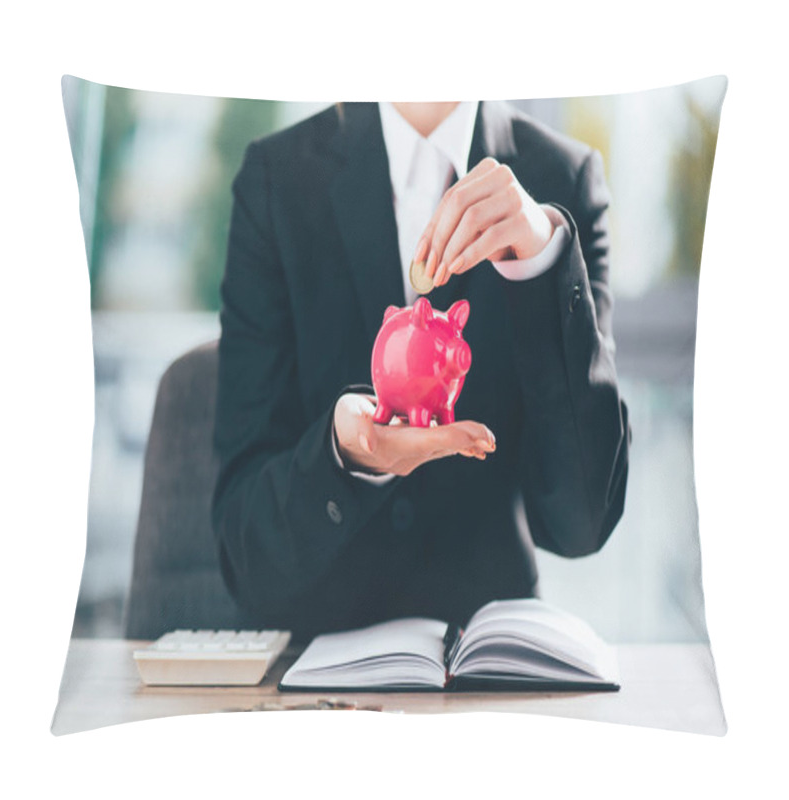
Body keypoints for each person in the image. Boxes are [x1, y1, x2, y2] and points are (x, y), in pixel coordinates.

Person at [211, 100, 631, 642]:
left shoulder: (563, 180)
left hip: (487, 665)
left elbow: (582, 525)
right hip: (313, 668)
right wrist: (342, 458)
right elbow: (243, 552)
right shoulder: (276, 179)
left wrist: (542, 263)